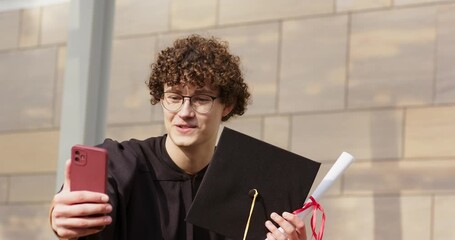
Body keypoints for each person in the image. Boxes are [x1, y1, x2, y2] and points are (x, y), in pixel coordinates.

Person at [49, 35, 307, 240]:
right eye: (174, 97)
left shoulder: (252, 188)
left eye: (201, 99)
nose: (184, 113)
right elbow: (81, 210)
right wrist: (61, 217)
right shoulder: (121, 164)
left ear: (227, 105)